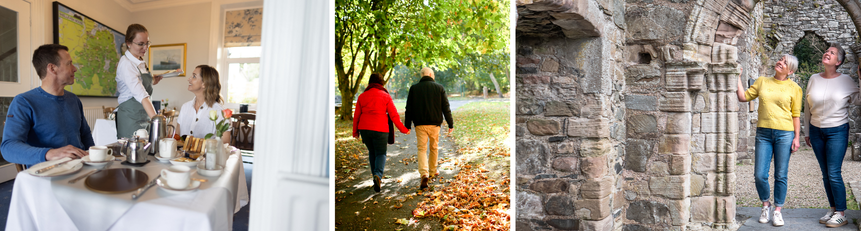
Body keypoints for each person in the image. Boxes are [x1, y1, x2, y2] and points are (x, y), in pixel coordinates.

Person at [0, 44, 94, 167]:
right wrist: (50, 153)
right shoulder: (24, 102)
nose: (74, 68)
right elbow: (8, 148)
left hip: (80, 168)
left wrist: (94, 158)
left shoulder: (73, 100)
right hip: (47, 173)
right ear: (52, 68)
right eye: (69, 63)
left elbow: (85, 134)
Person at [736, 54, 802, 227]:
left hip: (785, 134)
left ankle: (778, 211)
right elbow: (743, 97)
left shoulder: (795, 88)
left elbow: (796, 115)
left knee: (781, 174)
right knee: (759, 175)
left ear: (791, 70)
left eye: (785, 62)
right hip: (763, 134)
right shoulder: (762, 81)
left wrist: (797, 137)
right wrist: (737, 76)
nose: (780, 62)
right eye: (780, 59)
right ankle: (766, 205)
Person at [803, 43, 860, 228]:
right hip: (816, 131)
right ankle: (834, 209)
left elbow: (859, 100)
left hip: (837, 131)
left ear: (839, 61)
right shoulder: (813, 78)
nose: (827, 53)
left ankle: (841, 213)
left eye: (832, 52)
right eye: (827, 50)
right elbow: (807, 108)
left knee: (834, 173)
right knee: (826, 174)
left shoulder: (846, 81)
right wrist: (807, 132)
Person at [352, 74, 410, 192]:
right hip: (380, 129)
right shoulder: (386, 96)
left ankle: (375, 176)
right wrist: (403, 129)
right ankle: (378, 175)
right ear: (381, 83)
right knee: (381, 153)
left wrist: (355, 132)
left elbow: (356, 116)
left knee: (372, 152)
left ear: (370, 83)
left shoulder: (362, 96)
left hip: (365, 129)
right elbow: (394, 115)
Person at [404, 67, 454, 190]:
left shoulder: (414, 88)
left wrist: (407, 125)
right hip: (435, 124)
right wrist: (450, 123)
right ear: (431, 74)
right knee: (434, 147)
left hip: (420, 124)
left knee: (421, 148)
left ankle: (424, 174)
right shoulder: (439, 88)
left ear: (422, 75)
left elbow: (408, 108)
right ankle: (432, 171)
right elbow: (445, 107)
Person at [115, 24, 165, 139]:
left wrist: (152, 80)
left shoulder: (139, 61)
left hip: (143, 115)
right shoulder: (127, 64)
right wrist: (158, 123)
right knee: (133, 153)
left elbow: (139, 84)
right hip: (130, 117)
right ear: (128, 43)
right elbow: (141, 95)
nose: (145, 47)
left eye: (147, 43)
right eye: (140, 44)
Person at [176, 65, 232, 143]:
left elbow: (225, 144)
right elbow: (177, 137)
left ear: (204, 84)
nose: (189, 79)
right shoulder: (185, 107)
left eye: (194, 76)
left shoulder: (220, 112)